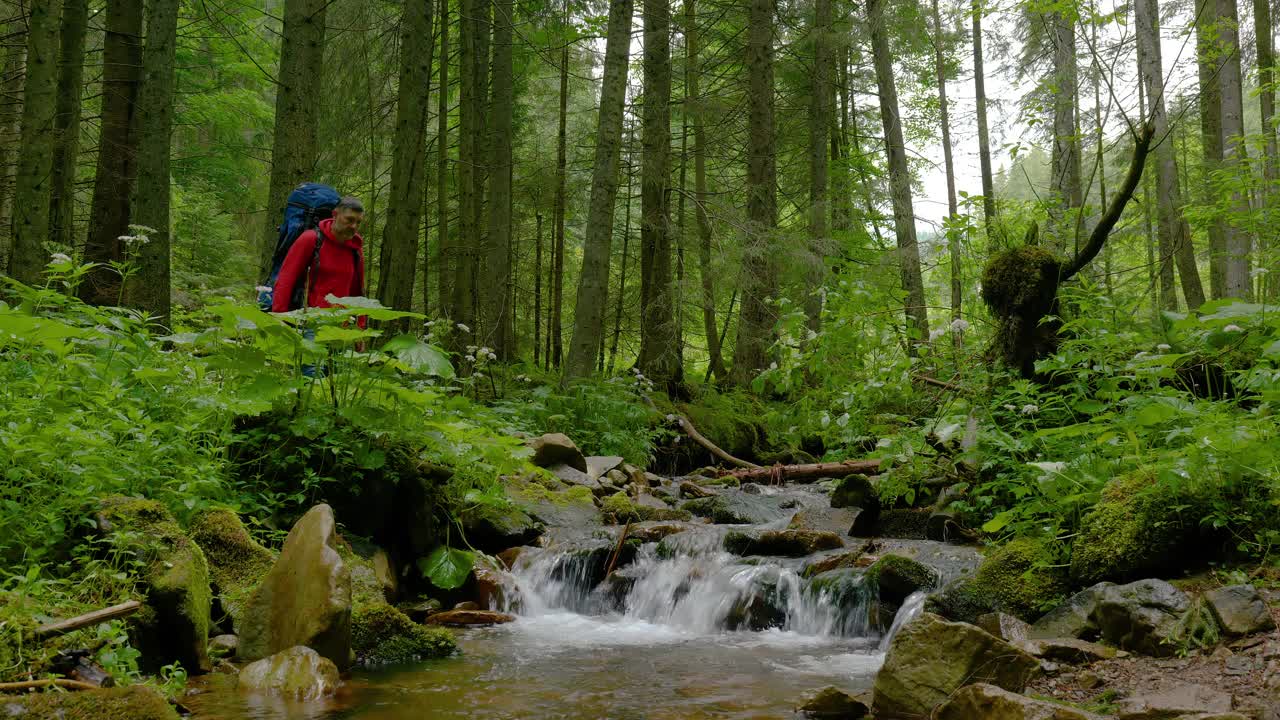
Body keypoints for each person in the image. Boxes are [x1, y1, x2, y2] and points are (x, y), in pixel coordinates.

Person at [271, 195, 367, 314]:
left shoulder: (355, 249)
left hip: (342, 324)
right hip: (310, 320)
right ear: (335, 214)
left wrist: (361, 326)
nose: (354, 226)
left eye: (358, 222)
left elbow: (357, 292)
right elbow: (286, 279)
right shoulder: (311, 239)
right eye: (349, 219)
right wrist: (280, 317)